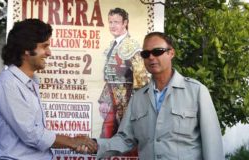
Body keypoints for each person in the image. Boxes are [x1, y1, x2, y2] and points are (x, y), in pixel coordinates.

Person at [93, 32, 225, 159]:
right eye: (146, 53)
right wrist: (93, 145)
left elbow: (213, 145)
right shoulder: (138, 99)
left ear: (171, 53)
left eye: (157, 51)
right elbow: (125, 140)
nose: (151, 57)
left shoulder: (196, 92)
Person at [0, 19, 97, 160]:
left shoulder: (29, 82)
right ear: (27, 49)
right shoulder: (7, 85)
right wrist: (73, 142)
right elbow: (32, 135)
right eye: (44, 47)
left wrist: (74, 142)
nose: (49, 53)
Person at [98, 7, 150, 139]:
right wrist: (105, 100)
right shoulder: (113, 45)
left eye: (116, 22)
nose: (112, 26)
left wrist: (135, 107)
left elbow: (142, 80)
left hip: (127, 103)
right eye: (110, 22)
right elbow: (111, 76)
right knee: (108, 137)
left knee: (127, 139)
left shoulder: (131, 46)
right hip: (113, 101)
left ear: (125, 23)